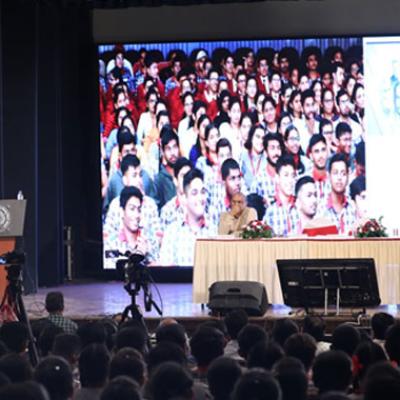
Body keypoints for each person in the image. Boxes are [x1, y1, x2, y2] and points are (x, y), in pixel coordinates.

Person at [103, 155, 161, 261]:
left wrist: (146, 249)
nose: (139, 180)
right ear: (124, 180)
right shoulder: (115, 206)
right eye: (134, 175)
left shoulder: (150, 205)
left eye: (140, 175)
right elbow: (107, 238)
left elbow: (158, 239)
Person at [160, 168, 216, 266]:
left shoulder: (213, 232)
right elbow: (166, 274)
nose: (200, 198)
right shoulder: (172, 233)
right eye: (194, 193)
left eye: (202, 192)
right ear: (185, 198)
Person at [103, 186, 152, 261]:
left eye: (139, 210)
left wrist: (146, 256)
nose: (136, 215)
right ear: (122, 211)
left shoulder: (149, 239)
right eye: (132, 209)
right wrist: (138, 257)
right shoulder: (111, 243)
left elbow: (158, 267)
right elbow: (110, 269)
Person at [321, 153, 356, 235]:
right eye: (335, 173)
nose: (339, 178)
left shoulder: (353, 208)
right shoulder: (321, 209)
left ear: (348, 176)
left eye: (343, 173)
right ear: (328, 176)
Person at [263, 155, 297, 237]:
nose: (290, 181)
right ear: (277, 178)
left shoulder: (299, 206)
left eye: (293, 176)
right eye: (286, 175)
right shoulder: (271, 211)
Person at [251, 133, 284, 205]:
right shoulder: (259, 180)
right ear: (265, 152)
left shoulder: (287, 176)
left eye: (278, 148)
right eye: (272, 148)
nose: (276, 152)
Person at [209, 158, 243, 227]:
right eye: (232, 178)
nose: (237, 183)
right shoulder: (217, 210)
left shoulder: (247, 206)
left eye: (239, 177)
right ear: (224, 182)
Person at [160, 157, 192, 229]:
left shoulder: (200, 206)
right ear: (175, 180)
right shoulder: (167, 211)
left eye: (189, 175)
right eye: (183, 176)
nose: (187, 179)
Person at [154, 127, 180, 210]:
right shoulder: (159, 179)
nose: (172, 153)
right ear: (163, 152)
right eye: (168, 149)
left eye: (175, 147)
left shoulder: (185, 172)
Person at [241, 125, 268, 191]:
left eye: (263, 138)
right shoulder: (242, 157)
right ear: (251, 137)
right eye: (258, 137)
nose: (261, 141)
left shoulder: (267, 158)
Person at [308, 134, 331, 202]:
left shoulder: (333, 179)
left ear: (327, 152)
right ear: (311, 156)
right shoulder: (305, 180)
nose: (321, 155)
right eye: (316, 151)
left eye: (323, 150)